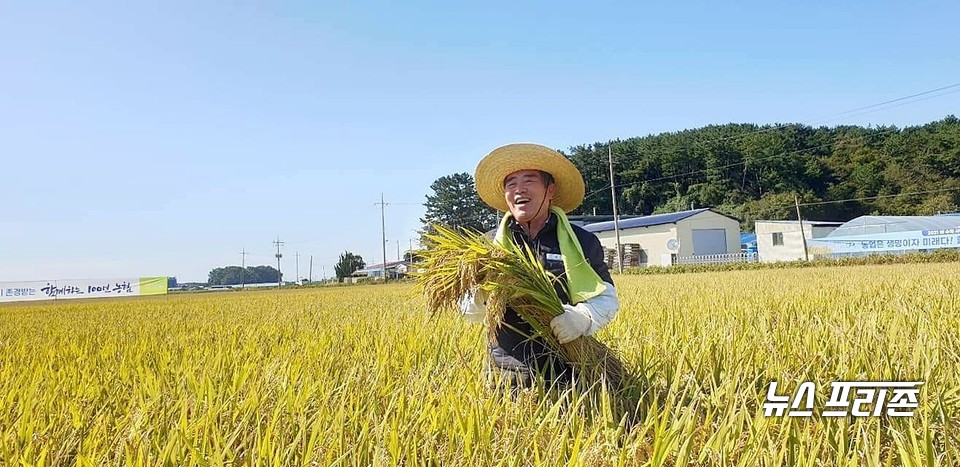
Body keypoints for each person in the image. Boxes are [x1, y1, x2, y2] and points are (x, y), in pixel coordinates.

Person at [460, 143, 620, 389]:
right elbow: (469, 312)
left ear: (550, 189)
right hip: (506, 372)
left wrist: (581, 318)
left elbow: (607, 298)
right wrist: (481, 294)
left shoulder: (581, 241)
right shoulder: (487, 246)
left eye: (529, 180)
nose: (519, 189)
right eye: (510, 183)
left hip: (569, 370)